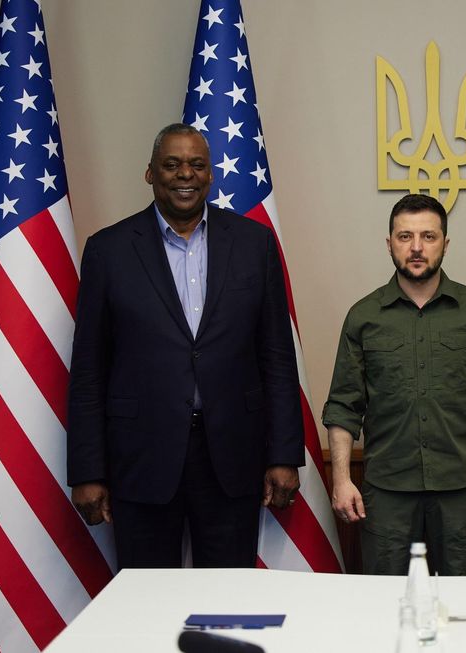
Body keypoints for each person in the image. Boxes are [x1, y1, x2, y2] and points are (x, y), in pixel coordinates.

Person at [67, 123, 304, 569]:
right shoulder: (109, 251)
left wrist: (284, 454)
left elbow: (276, 356)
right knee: (147, 602)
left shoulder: (255, 244)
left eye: (196, 165)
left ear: (211, 175)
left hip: (231, 456)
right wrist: (87, 470)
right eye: (172, 165)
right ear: (150, 173)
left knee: (228, 603)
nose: (185, 175)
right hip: (142, 458)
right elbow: (88, 371)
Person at [323, 194, 466, 575]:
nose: (416, 248)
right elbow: (344, 407)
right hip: (387, 493)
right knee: (386, 606)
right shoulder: (363, 316)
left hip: (464, 492)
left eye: (428, 237)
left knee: (464, 605)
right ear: (389, 243)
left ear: (445, 244)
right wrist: (342, 479)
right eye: (405, 237)